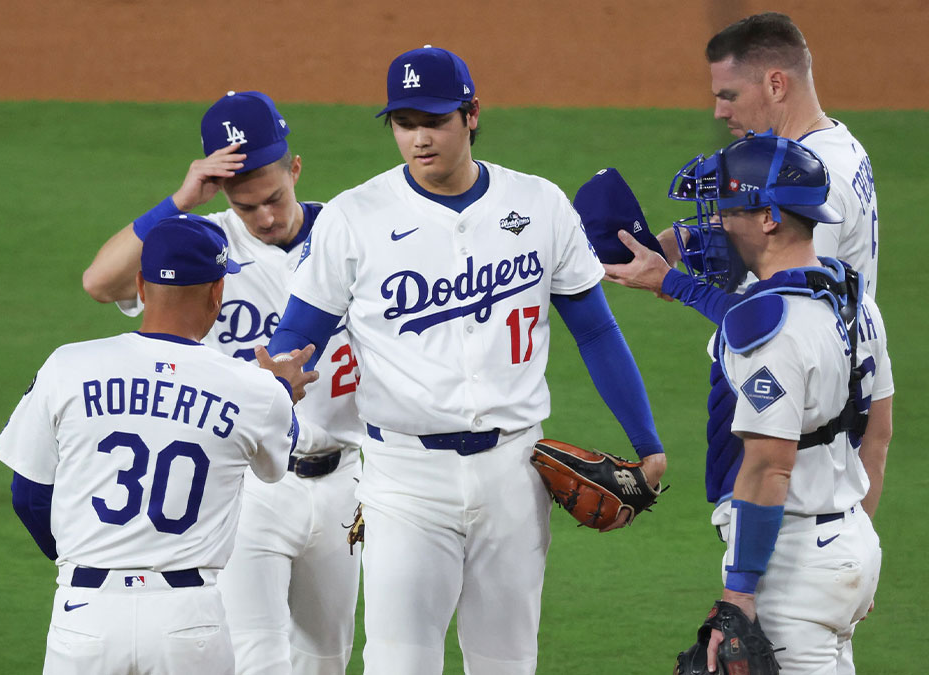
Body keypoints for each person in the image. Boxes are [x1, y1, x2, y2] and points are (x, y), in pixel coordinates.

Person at [267, 46, 667, 674]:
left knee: (507, 662)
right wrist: (277, 376)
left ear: (472, 113)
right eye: (404, 123)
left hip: (515, 469)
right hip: (403, 476)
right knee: (400, 664)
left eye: (435, 120)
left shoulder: (538, 205)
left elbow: (595, 330)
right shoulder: (354, 217)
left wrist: (646, 439)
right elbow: (299, 329)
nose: (419, 138)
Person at [83, 91, 363, 674]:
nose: (263, 217)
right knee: (254, 658)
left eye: (273, 199)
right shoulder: (205, 249)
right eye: (246, 206)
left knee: (327, 658)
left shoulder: (349, 238)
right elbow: (102, 282)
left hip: (344, 479)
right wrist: (182, 200)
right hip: (250, 487)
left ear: (296, 168)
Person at [0, 214, 319, 675]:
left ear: (142, 286)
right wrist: (281, 392)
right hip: (188, 620)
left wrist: (86, 560)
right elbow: (276, 465)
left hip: (85, 612)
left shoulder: (67, 365)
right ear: (216, 292)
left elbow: (27, 496)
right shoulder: (253, 389)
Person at [659, 134, 892, 673]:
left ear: (768, 217)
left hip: (791, 569)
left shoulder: (775, 328)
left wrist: (737, 594)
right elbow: (876, 434)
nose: (716, 223)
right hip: (850, 539)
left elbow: (768, 468)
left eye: (726, 210)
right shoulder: (854, 300)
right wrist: (855, 554)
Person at [652, 12, 880, 297]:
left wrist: (670, 282)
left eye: (729, 96)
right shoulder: (831, 147)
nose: (719, 113)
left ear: (775, 85)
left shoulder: (815, 182)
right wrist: (686, 241)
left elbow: (784, 311)